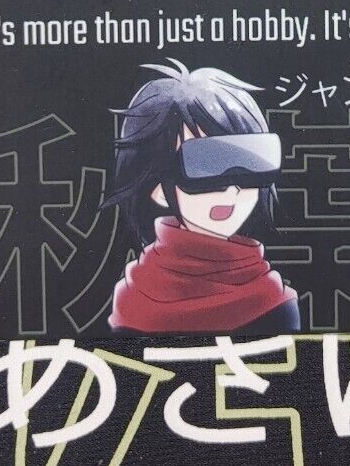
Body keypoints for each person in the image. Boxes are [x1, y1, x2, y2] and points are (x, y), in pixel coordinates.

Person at [104, 60, 300, 335]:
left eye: (248, 162)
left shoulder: (274, 300)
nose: (231, 188)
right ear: (158, 187)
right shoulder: (134, 298)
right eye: (205, 164)